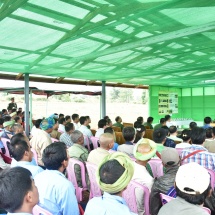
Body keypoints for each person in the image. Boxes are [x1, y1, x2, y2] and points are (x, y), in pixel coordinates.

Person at [34, 142, 79, 215]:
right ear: (64, 163)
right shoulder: (66, 186)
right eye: (68, 155)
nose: (69, 157)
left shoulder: (38, 176)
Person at [150, 148, 180, 215]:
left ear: (163, 164)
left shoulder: (158, 183)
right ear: (180, 160)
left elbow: (154, 210)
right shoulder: (191, 177)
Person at [132, 138, 156, 215]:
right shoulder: (148, 180)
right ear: (149, 158)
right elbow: (150, 200)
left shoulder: (127, 166)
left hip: (127, 205)